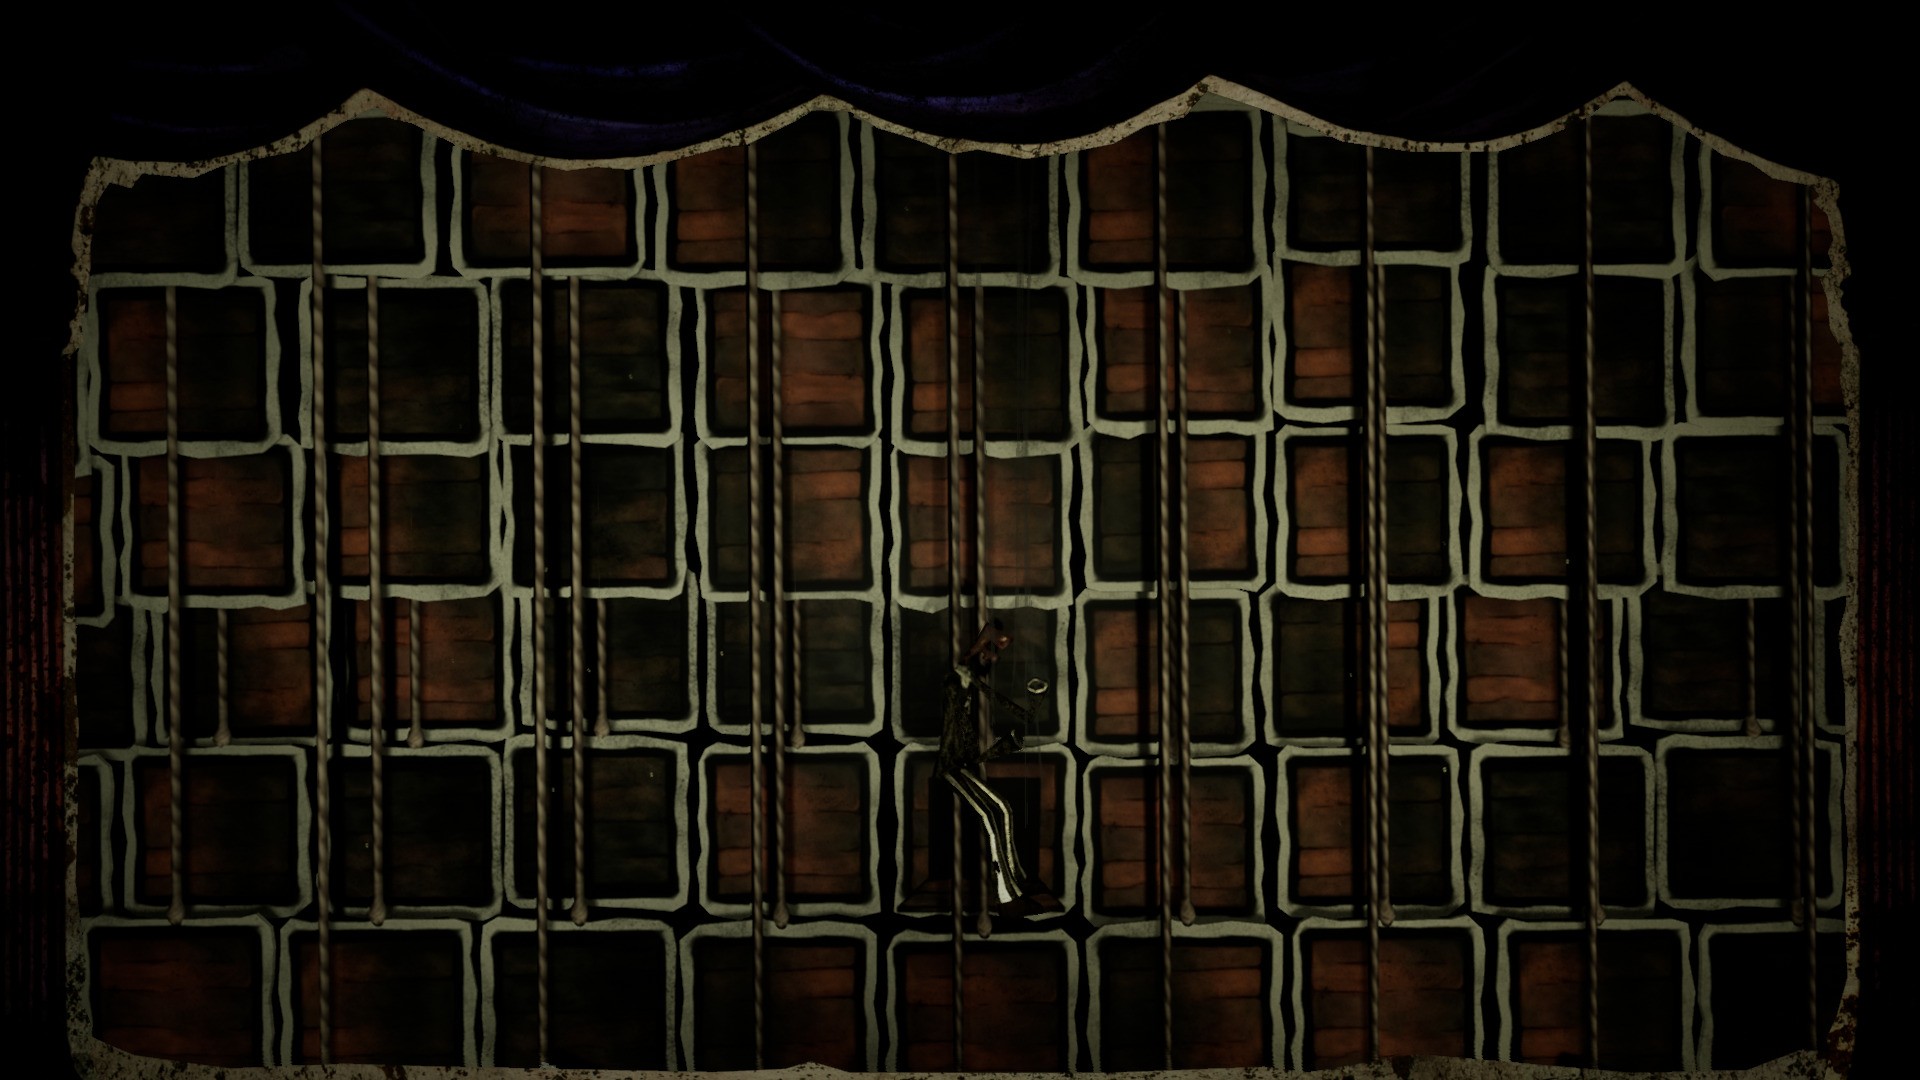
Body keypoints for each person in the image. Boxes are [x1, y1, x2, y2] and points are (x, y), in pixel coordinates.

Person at [936, 620, 1062, 917]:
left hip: (963, 763)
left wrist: (1025, 716)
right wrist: (979, 648)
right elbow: (961, 678)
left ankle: (1017, 879)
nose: (993, 659)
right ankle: (1006, 899)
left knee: (1003, 808)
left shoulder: (971, 684)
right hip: (951, 768)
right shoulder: (956, 682)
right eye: (989, 653)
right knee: (990, 818)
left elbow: (997, 709)